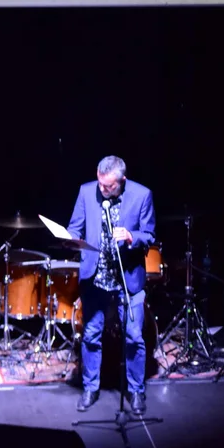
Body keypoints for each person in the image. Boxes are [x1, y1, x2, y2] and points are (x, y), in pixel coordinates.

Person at [66, 156, 157, 414]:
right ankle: (90, 387)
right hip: (95, 278)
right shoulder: (86, 192)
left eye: (109, 186)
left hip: (128, 279)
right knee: (91, 335)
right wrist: (70, 240)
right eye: (100, 183)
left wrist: (131, 237)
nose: (103, 189)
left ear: (122, 181)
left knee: (134, 337)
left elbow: (149, 235)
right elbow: (75, 228)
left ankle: (136, 390)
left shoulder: (142, 195)